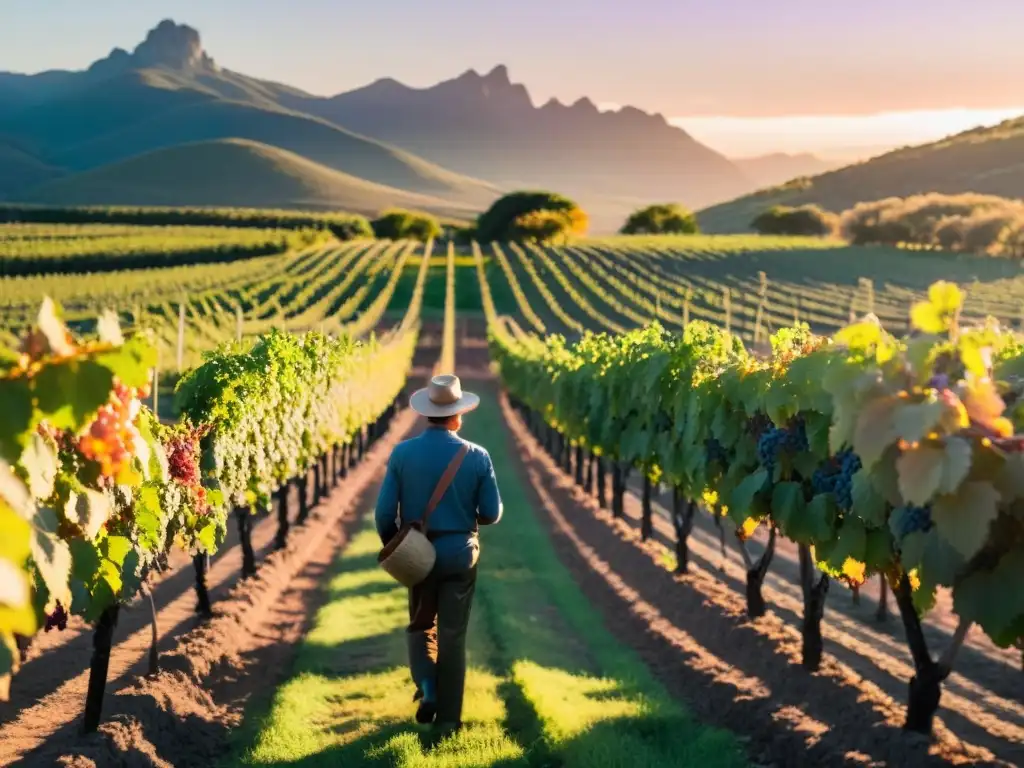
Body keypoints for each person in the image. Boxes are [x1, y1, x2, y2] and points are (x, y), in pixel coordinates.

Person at [374, 374, 503, 733]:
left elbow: (384, 514)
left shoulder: (402, 453)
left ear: (427, 413)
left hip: (420, 555)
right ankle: (449, 720)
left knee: (420, 626)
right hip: (461, 554)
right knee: (452, 636)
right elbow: (491, 513)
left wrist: (402, 547)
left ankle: (427, 687)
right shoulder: (478, 456)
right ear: (458, 416)